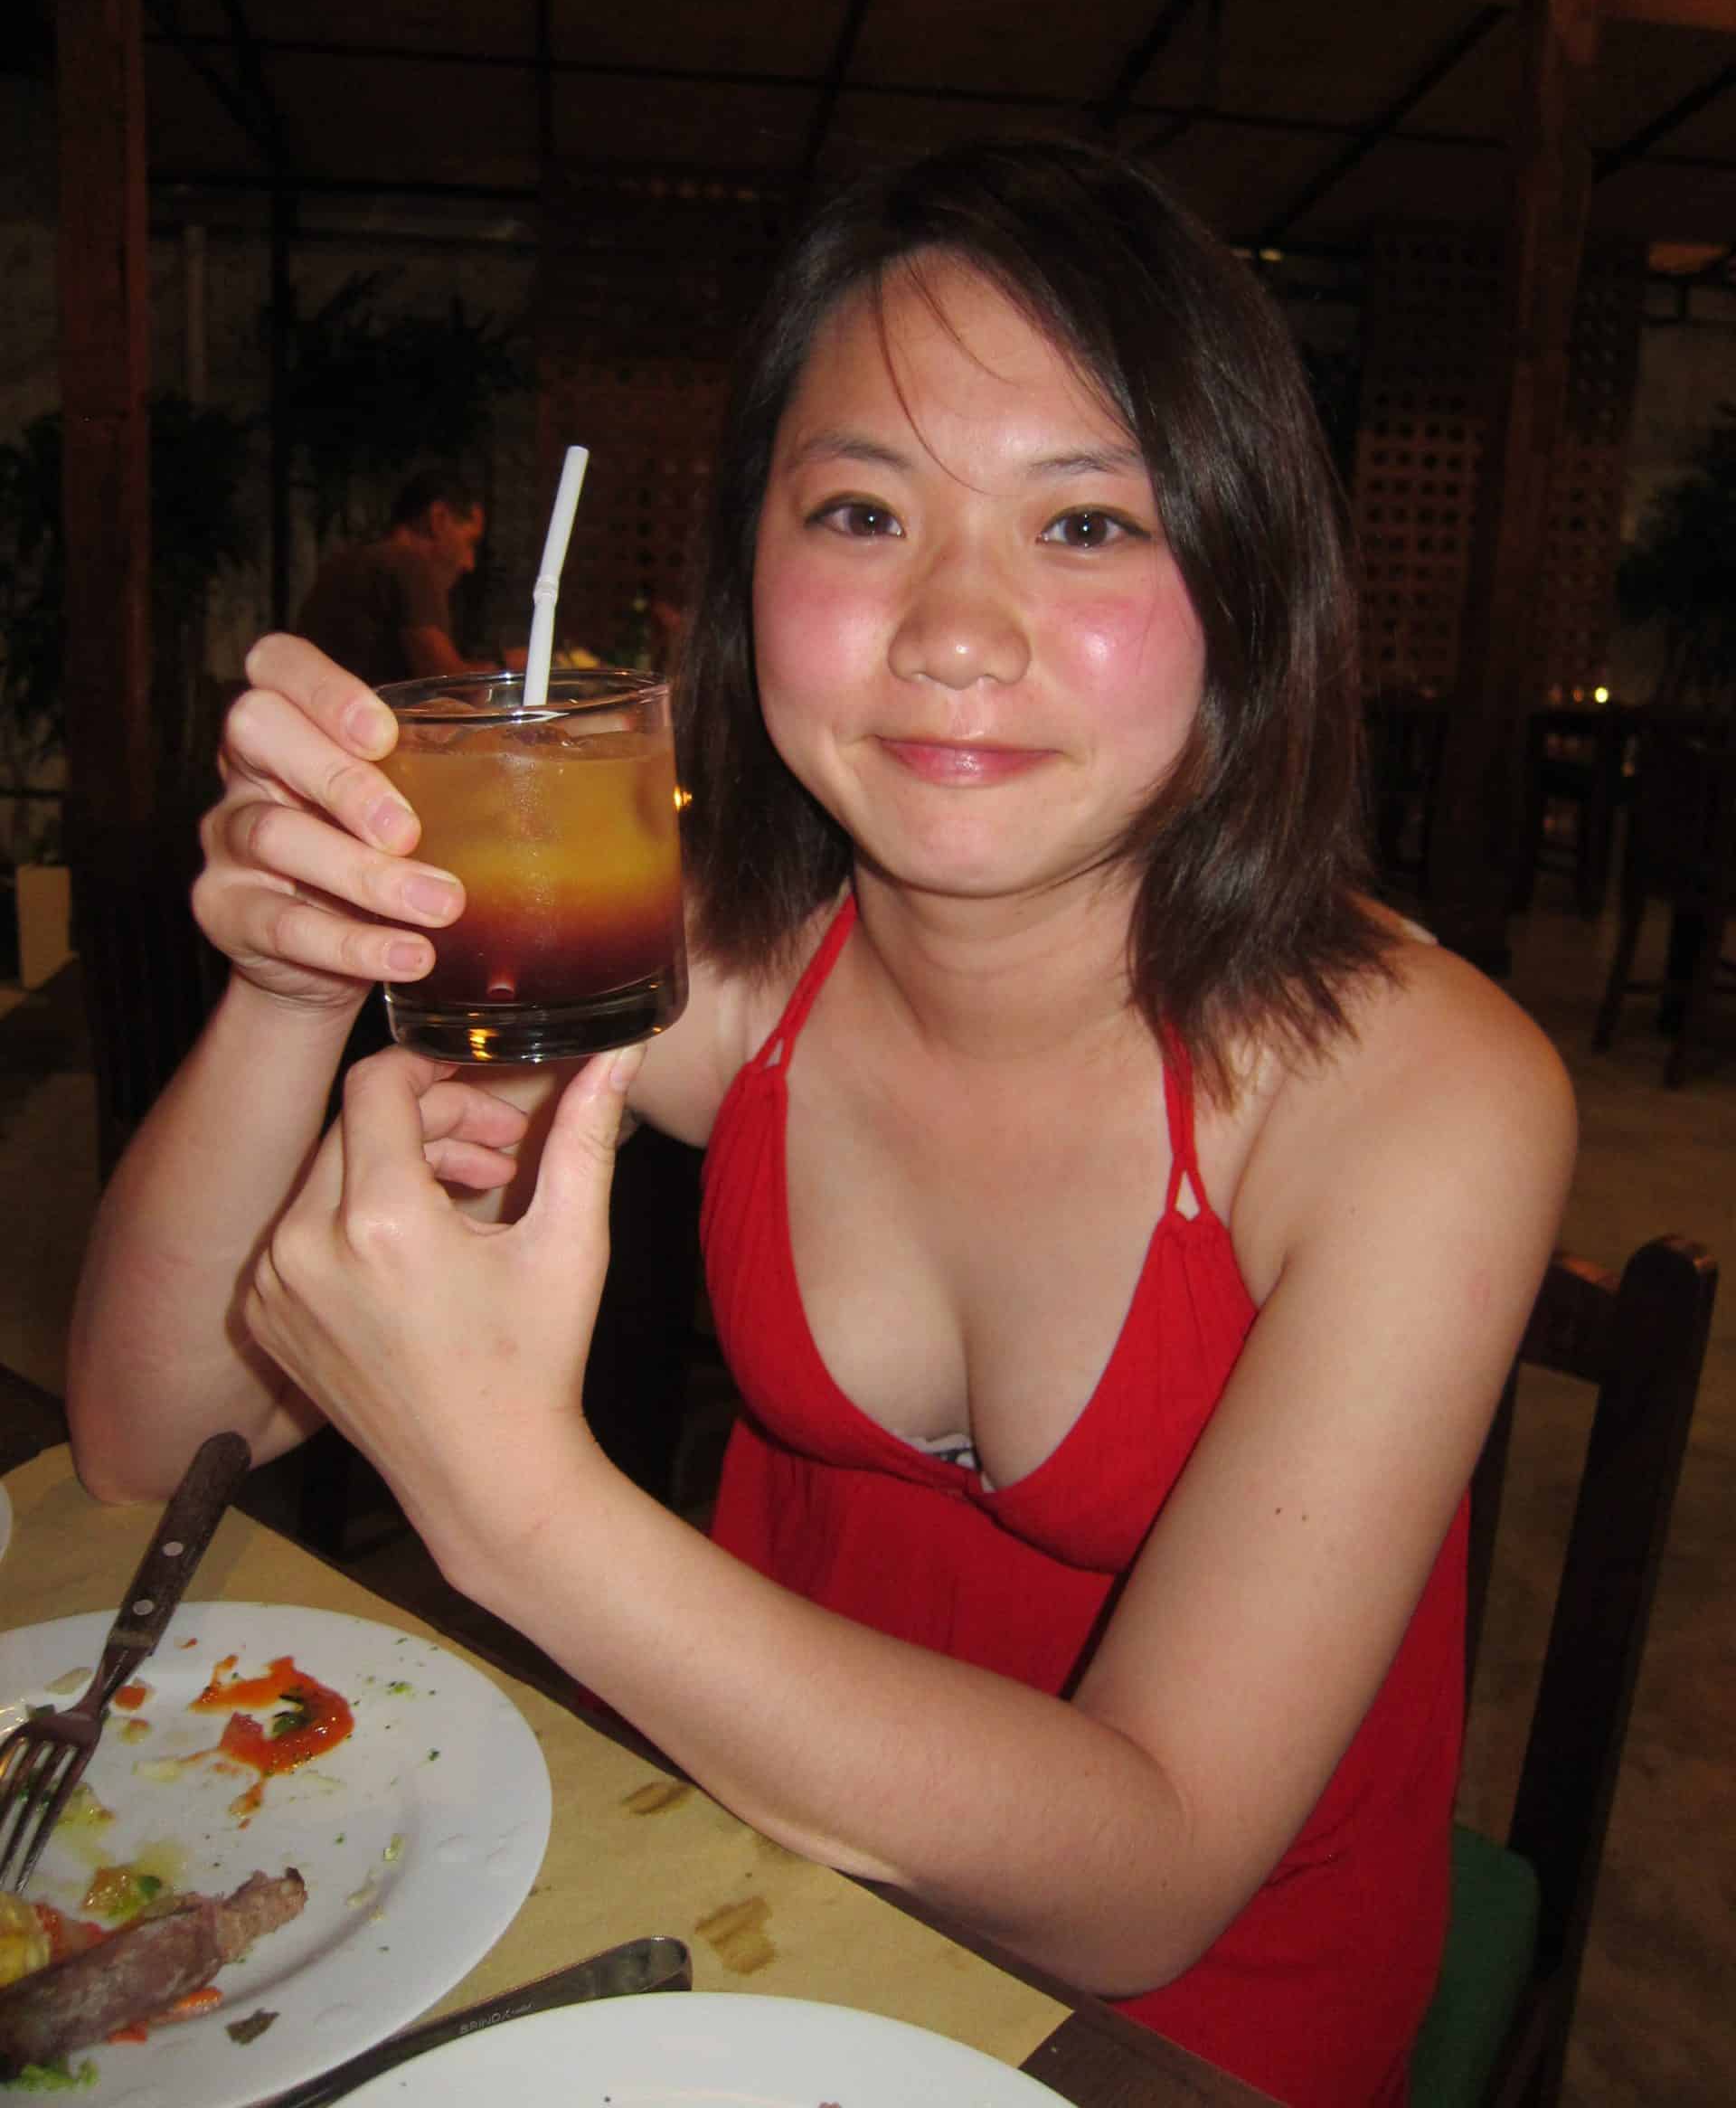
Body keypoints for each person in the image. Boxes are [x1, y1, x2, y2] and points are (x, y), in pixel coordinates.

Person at [66, 140, 1576, 2108]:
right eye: (864, 511)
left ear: (1250, 581)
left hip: (1175, 2041)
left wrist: (517, 1504)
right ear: (747, 575)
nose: (956, 627)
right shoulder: (720, 971)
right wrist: (293, 981)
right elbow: (150, 1432)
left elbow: (1152, 1876)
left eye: (1088, 524)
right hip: (744, 1895)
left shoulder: (1427, 1096)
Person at [294, 468, 488, 685]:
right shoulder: (408, 563)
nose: (469, 563)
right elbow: (449, 684)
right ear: (439, 518)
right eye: (470, 542)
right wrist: (512, 665)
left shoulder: (347, 563)